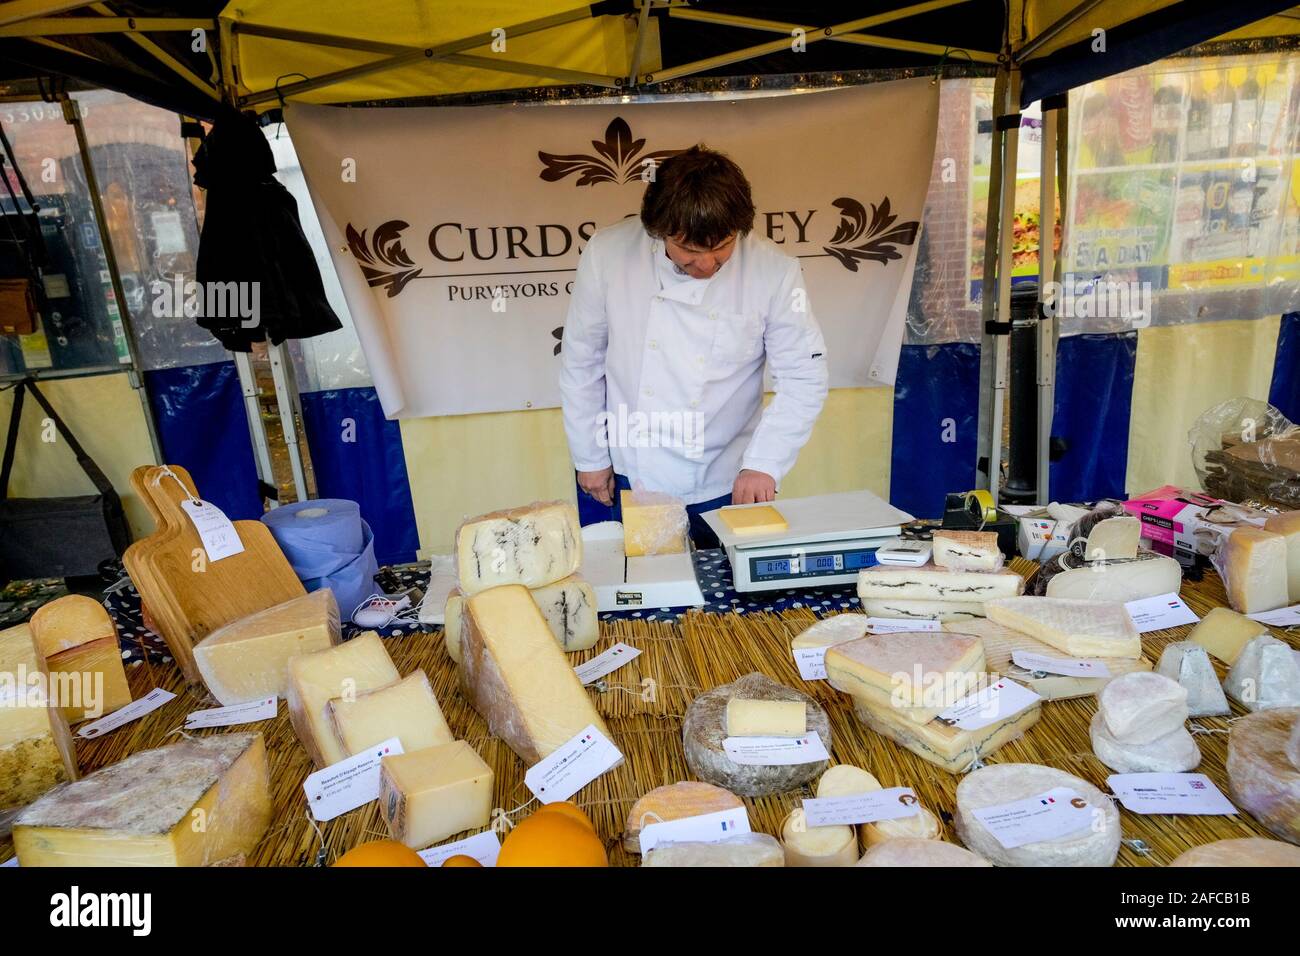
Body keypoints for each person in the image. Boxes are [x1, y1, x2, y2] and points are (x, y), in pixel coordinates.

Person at [559, 145, 828, 548]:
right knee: (638, 598)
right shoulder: (608, 254)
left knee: (726, 606)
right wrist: (591, 457)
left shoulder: (775, 272)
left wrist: (764, 464)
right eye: (688, 252)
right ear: (658, 229)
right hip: (631, 471)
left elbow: (804, 376)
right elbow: (582, 360)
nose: (705, 266)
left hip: (728, 476)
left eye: (721, 250)